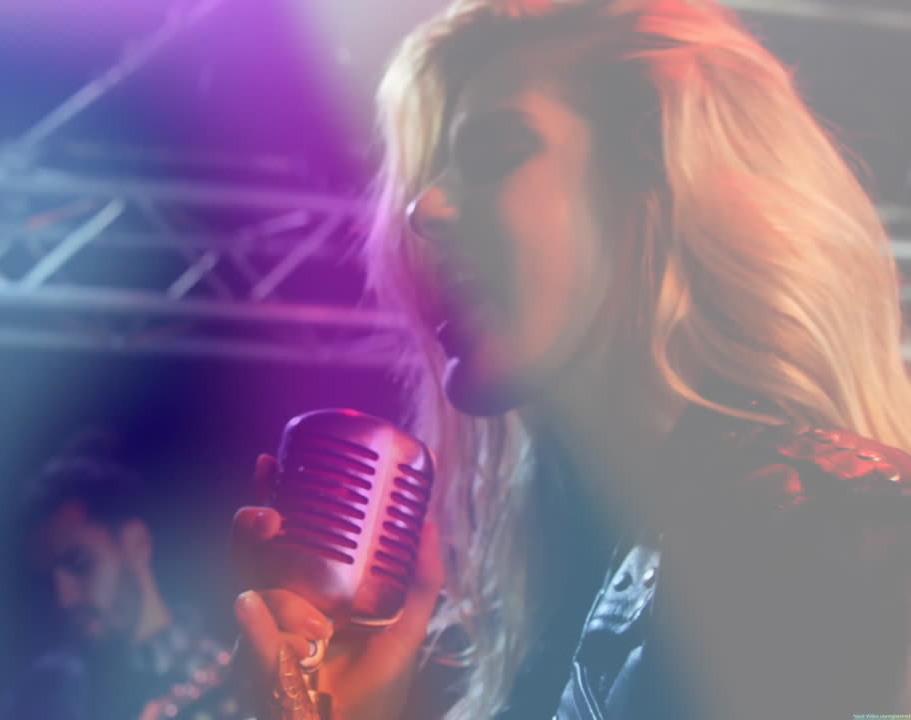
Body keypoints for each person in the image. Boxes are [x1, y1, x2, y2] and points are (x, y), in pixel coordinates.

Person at [231, 1, 911, 718]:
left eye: (496, 153)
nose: (422, 211)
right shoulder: (550, 597)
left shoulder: (837, 539)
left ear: (655, 181)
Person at [0, 433, 244, 720]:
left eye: (80, 563)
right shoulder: (44, 695)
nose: (63, 598)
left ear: (136, 543)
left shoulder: (234, 683)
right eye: (47, 581)